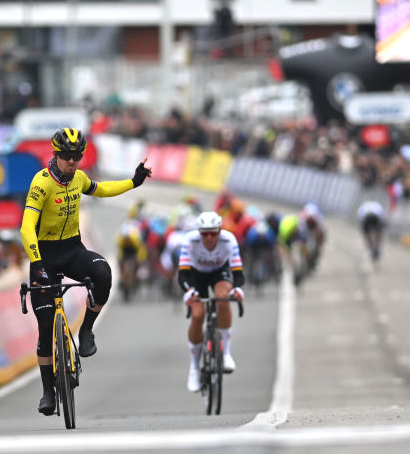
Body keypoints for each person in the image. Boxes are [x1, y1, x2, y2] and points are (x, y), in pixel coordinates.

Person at [20, 127, 151, 416]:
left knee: (103, 272)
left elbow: (101, 189)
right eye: (67, 156)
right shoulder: (41, 183)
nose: (72, 161)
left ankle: (87, 330)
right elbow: (26, 226)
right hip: (45, 256)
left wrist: (133, 182)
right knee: (44, 331)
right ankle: (47, 392)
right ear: (55, 155)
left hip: (73, 250)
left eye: (77, 156)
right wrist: (37, 261)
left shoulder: (78, 177)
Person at [178, 211, 244, 392]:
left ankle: (226, 353)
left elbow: (238, 274)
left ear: (219, 231)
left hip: (219, 273)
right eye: (204, 233)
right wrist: (189, 292)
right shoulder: (189, 240)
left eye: (212, 233)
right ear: (199, 232)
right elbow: (182, 274)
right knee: (198, 315)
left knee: (223, 298)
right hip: (195, 275)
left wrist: (237, 290)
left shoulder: (229, 240)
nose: (208, 237)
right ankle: (194, 367)